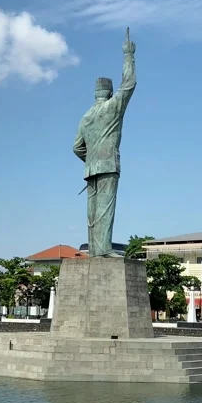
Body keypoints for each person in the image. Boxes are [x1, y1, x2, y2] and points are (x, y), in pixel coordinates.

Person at [73, 30, 136, 257]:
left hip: (90, 169)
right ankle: (104, 250)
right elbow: (129, 84)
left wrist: (90, 159)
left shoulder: (86, 116)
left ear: (95, 92)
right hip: (108, 165)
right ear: (109, 92)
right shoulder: (112, 107)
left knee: (92, 212)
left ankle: (94, 251)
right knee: (105, 209)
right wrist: (128, 55)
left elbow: (76, 146)